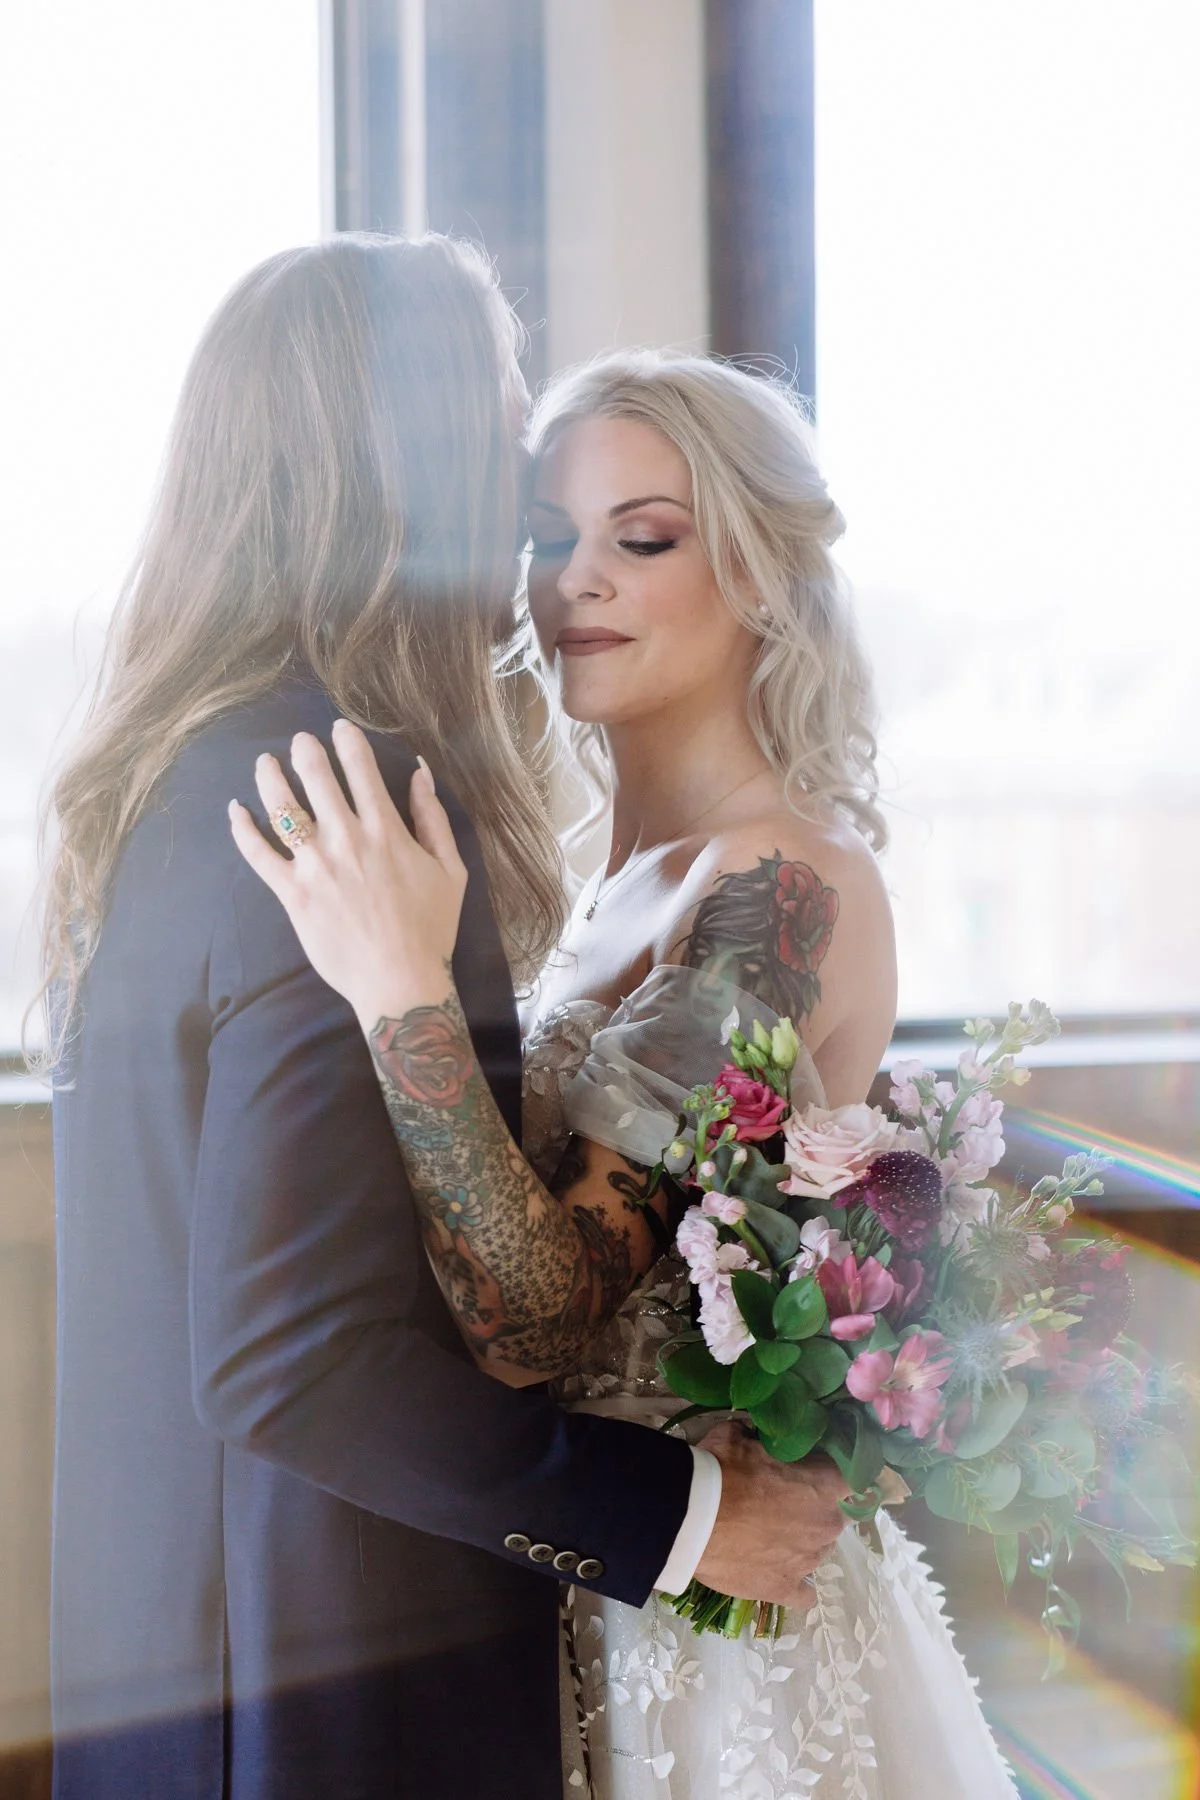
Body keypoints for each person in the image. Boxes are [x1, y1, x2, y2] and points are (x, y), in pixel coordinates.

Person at [39, 242, 848, 1800]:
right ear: (406, 471)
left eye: (636, 536)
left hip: (164, 1681)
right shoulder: (352, 802)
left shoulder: (172, 783)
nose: (552, 560)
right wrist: (682, 1520)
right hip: (332, 1705)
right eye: (508, 454)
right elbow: (295, 1357)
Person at [232, 350, 1021, 1798]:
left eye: (643, 539)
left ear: (762, 575)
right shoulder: (586, 886)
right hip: (571, 1579)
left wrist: (397, 985)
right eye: (548, 537)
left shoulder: (782, 884)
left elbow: (535, 1326)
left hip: (712, 1641)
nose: (575, 579)